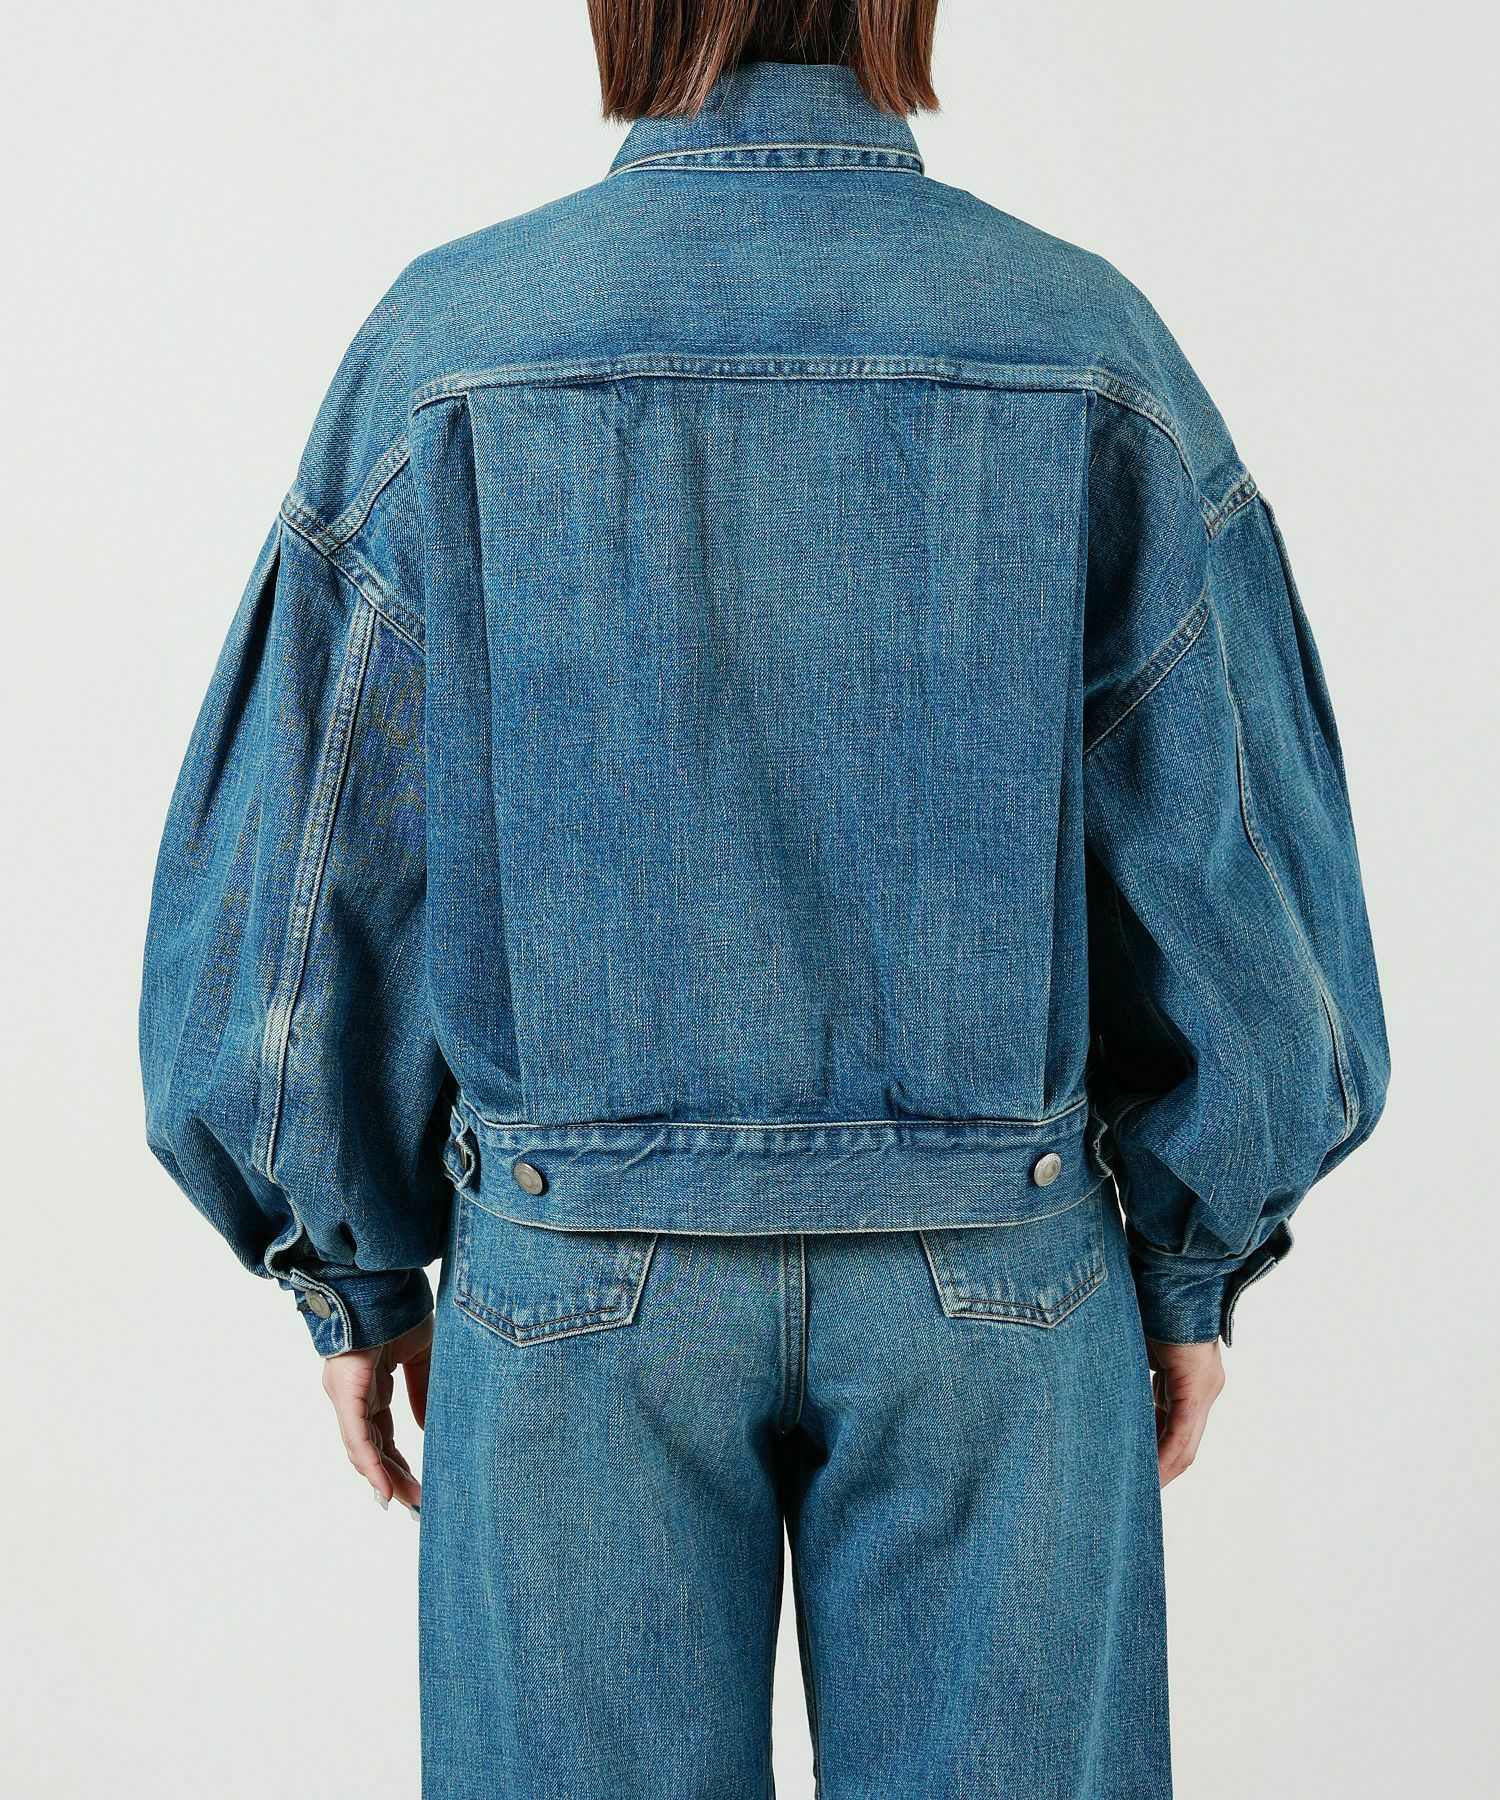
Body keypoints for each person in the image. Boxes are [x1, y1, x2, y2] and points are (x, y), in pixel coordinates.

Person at [139, 2, 1389, 1793]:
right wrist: (1194, 1264)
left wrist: (349, 1266)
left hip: (572, 1285)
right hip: (997, 1275)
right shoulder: (1084, 340)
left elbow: (310, 864)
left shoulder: (451, 345)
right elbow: (1232, 861)